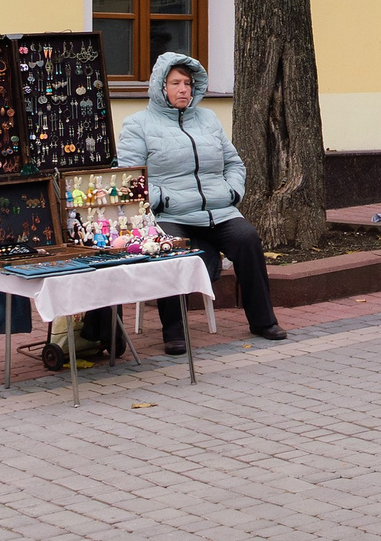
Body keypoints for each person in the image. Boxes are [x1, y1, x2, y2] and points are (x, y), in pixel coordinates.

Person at [114, 51, 288, 350]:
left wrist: (232, 192)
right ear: (160, 87)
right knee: (170, 250)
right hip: (172, 215)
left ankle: (263, 321)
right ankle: (174, 333)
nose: (184, 89)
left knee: (247, 239)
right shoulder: (138, 124)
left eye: (188, 83)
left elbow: (234, 164)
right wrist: (165, 200)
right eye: (176, 83)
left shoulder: (207, 119)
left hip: (218, 211)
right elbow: (131, 180)